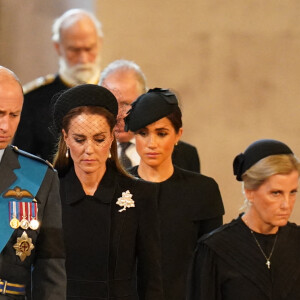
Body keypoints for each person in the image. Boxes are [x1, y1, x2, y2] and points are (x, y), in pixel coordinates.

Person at [51, 84, 164, 300]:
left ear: (112, 137)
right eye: (80, 139)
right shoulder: (48, 193)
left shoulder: (140, 195)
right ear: (65, 137)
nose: (89, 150)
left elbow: (151, 280)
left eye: (99, 139)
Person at [124, 88, 224, 300]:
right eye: (143, 133)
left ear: (178, 135)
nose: (152, 143)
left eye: (161, 133)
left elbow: (211, 264)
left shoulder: (202, 190)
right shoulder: (116, 187)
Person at [188, 139, 300, 300]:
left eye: (293, 192)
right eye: (276, 193)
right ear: (249, 192)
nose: (286, 204)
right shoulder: (215, 250)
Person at [0, 66, 66, 299]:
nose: (5, 126)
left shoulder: (40, 177)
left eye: (14, 115)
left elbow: (51, 269)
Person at [14, 9, 103, 162]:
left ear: (99, 43)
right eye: (74, 50)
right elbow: (22, 164)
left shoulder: (115, 92)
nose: (83, 58)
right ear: (57, 47)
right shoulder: (33, 101)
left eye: (89, 48)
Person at [100, 59, 201, 172]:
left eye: (127, 104)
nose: (118, 115)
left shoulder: (184, 155)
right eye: (112, 104)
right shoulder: (88, 152)